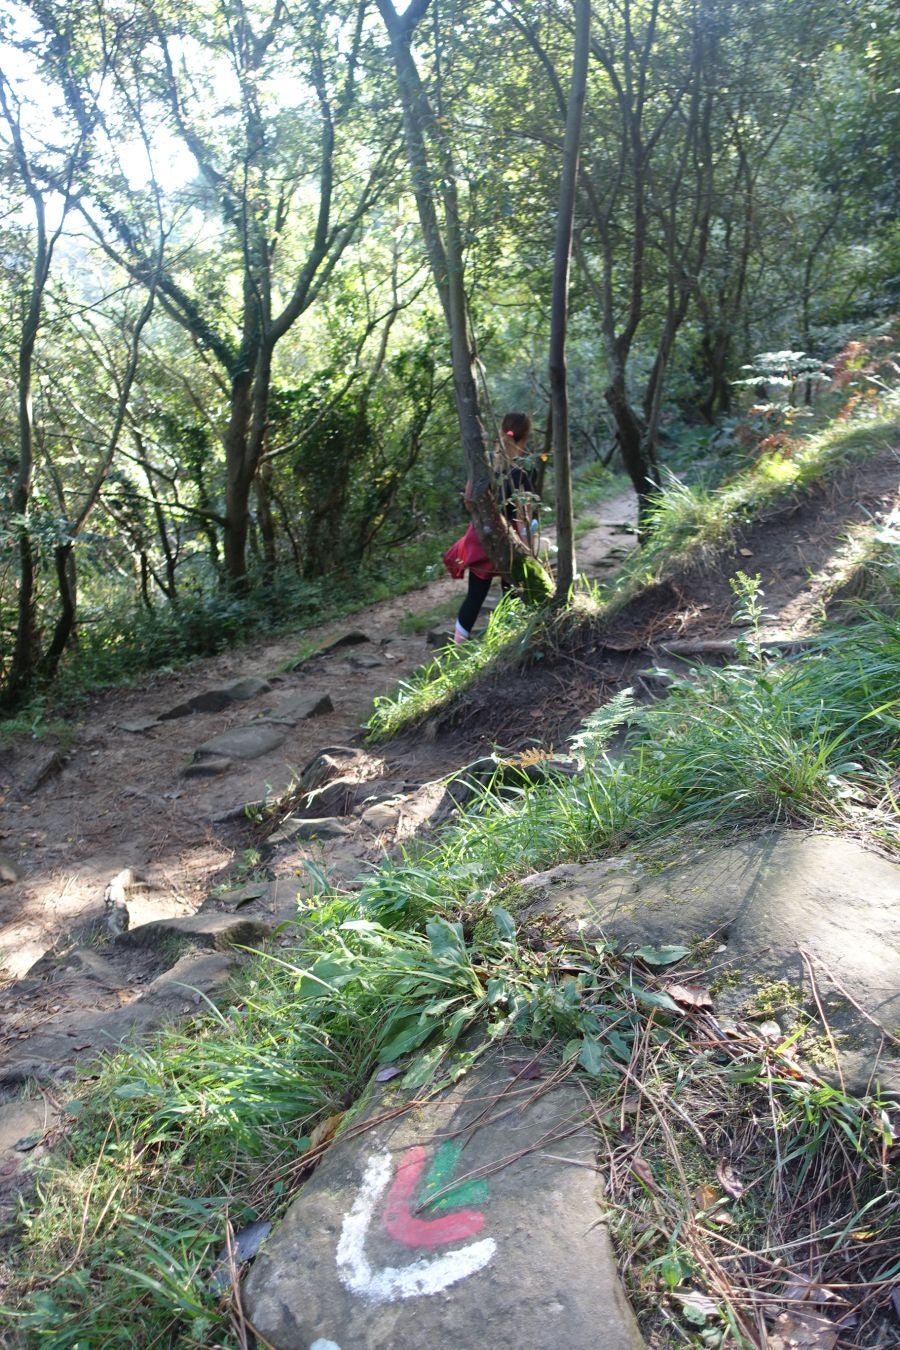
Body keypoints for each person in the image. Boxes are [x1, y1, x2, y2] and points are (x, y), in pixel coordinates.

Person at [445, 411, 539, 644]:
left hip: (481, 538)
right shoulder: (525, 469)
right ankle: (506, 642)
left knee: (475, 597)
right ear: (525, 436)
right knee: (513, 592)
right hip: (510, 539)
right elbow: (522, 515)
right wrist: (528, 551)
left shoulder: (484, 462)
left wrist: (483, 519)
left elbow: (469, 499)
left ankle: (456, 650)